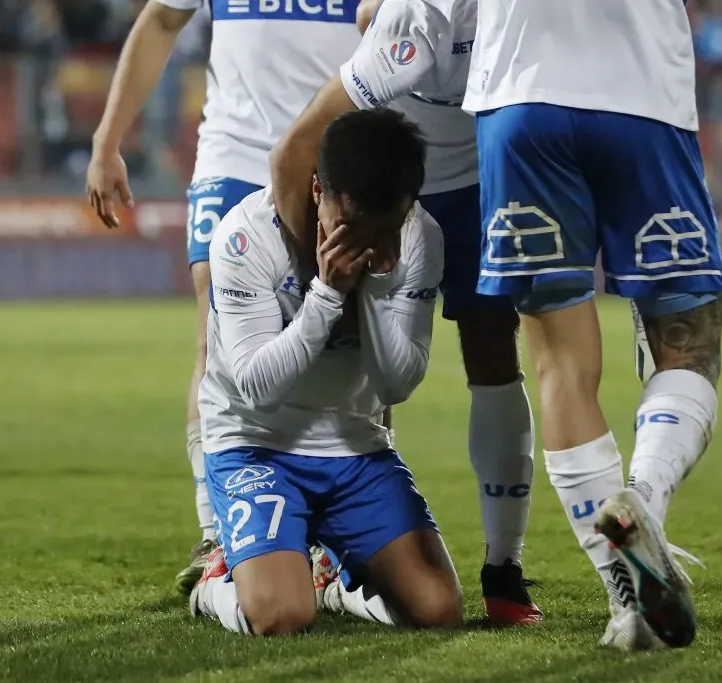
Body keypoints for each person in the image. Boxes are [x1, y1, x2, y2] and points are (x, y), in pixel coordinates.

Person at [463, 1, 722, 651]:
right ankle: (645, 500)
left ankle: (627, 604)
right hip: (643, 98)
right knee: (688, 347)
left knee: (559, 366)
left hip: (520, 99)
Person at [268, 0, 540, 626]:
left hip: (483, 186)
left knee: (495, 354)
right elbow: (293, 153)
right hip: (393, 199)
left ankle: (505, 569)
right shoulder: (410, 27)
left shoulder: (534, 18)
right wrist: (319, 289)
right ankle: (340, 551)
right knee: (365, 375)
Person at [84, 0, 363, 593]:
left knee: (354, 337)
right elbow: (161, 19)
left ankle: (340, 537)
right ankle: (217, 530)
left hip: (336, 153)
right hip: (235, 156)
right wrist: (107, 139)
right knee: (216, 344)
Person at [189, 108, 463, 636]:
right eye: (351, 226)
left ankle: (337, 580)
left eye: (385, 228)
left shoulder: (419, 237)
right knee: (282, 615)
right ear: (319, 189)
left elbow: (396, 385)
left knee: (438, 611)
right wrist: (329, 295)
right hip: (255, 443)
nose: (365, 244)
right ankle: (214, 585)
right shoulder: (247, 236)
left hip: (355, 446)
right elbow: (256, 388)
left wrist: (379, 289)